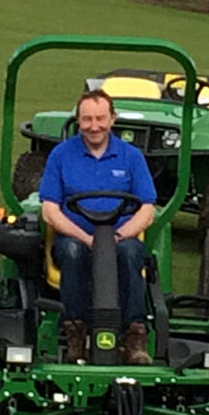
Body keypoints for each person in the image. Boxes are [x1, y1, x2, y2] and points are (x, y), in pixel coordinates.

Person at [39, 90, 158, 365]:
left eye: (100, 118)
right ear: (78, 121)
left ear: (112, 119)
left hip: (119, 237)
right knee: (71, 251)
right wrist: (85, 237)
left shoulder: (131, 157)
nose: (94, 126)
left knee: (130, 254)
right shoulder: (61, 155)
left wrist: (116, 237)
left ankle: (134, 336)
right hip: (75, 235)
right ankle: (75, 333)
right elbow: (50, 209)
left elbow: (147, 209)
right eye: (87, 119)